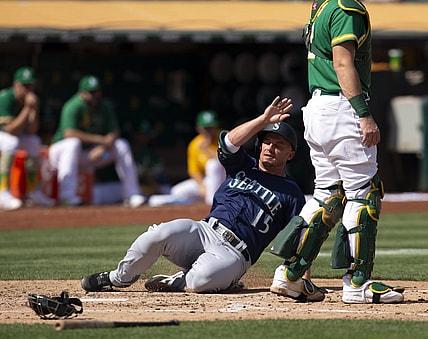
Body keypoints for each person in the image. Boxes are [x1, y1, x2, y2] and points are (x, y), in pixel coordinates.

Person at [81, 96, 324, 301]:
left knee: (200, 281)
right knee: (157, 235)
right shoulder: (243, 165)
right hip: (204, 230)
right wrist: (262, 121)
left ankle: (182, 279)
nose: (270, 148)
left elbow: (300, 238)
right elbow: (228, 142)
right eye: (266, 142)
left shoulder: (291, 193)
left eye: (279, 145)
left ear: (291, 154)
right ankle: (116, 278)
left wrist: (302, 278)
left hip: (236, 254)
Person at [270, 0, 404, 304]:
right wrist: (364, 114)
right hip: (342, 108)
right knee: (363, 192)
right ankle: (358, 282)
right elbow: (343, 63)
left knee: (327, 195)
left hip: (317, 108)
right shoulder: (347, 8)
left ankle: (291, 275)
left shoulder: (322, 7)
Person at [49, 75, 145, 207]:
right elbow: (69, 133)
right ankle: (67, 196)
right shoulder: (73, 105)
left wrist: (103, 147)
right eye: (91, 92)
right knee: (73, 143)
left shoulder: (104, 105)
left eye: (97, 91)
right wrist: (100, 140)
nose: (95, 95)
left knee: (121, 145)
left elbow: (114, 132)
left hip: (90, 153)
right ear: (81, 93)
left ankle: (132, 193)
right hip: (61, 154)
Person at [0, 66, 56, 210]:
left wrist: (34, 109)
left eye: (30, 85)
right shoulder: (5, 98)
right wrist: (27, 108)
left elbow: (32, 130)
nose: (27, 89)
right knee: (10, 142)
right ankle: (2, 192)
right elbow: (11, 130)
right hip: (5, 133)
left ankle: (34, 192)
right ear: (15, 85)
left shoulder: (31, 101)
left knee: (34, 142)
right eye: (24, 85)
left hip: (11, 135)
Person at [148, 110, 226, 206]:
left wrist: (208, 150)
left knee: (213, 165)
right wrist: (201, 186)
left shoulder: (225, 137)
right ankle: (202, 204)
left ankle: (211, 204)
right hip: (208, 182)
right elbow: (194, 171)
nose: (209, 131)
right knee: (177, 191)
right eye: (206, 128)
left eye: (211, 127)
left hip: (226, 179)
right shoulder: (195, 144)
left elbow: (228, 161)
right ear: (198, 128)